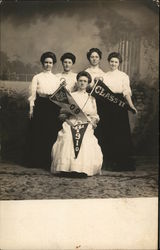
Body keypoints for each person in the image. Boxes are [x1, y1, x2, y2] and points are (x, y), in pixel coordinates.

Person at [51, 71, 103, 177]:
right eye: (80, 81)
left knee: (85, 139)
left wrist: (92, 122)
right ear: (77, 82)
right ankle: (66, 168)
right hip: (71, 122)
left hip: (86, 123)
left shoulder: (91, 98)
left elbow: (95, 115)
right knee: (68, 137)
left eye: (85, 81)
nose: (82, 83)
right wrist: (68, 121)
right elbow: (62, 114)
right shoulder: (71, 96)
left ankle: (82, 169)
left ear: (88, 83)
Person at [96, 51, 137, 171]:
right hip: (106, 105)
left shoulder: (124, 76)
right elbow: (99, 91)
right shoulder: (105, 75)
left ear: (119, 63)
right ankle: (108, 161)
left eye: (116, 62)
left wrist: (131, 105)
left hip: (118, 105)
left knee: (119, 131)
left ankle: (121, 161)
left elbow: (126, 92)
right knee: (107, 130)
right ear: (109, 62)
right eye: (112, 61)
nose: (113, 63)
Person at [28, 51, 61, 170]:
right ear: (42, 64)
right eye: (46, 62)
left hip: (53, 106)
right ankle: (36, 161)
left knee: (51, 132)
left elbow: (59, 95)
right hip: (40, 105)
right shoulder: (37, 77)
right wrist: (31, 108)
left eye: (50, 63)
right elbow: (32, 95)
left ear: (53, 64)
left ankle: (48, 161)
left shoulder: (56, 78)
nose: (48, 64)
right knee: (39, 132)